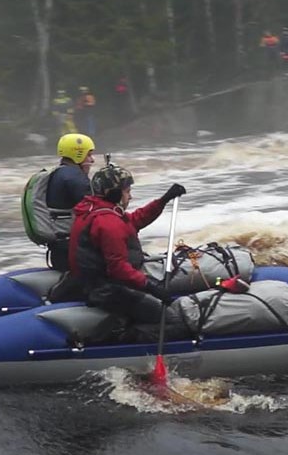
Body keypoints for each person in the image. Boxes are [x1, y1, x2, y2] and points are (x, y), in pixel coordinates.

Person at [68, 160, 187, 325]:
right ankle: (128, 333)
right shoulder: (107, 222)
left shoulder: (95, 209)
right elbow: (118, 268)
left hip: (98, 283)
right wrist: (149, 286)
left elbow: (135, 220)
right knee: (172, 319)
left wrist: (163, 200)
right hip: (108, 290)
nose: (130, 196)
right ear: (114, 194)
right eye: (127, 191)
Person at [44, 133, 97, 270]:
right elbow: (96, 210)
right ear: (77, 154)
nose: (92, 160)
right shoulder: (76, 177)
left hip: (58, 248)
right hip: (73, 250)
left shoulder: (57, 173)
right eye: (89, 155)